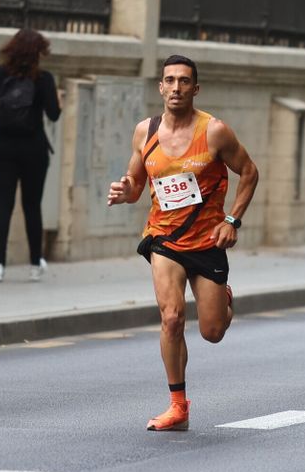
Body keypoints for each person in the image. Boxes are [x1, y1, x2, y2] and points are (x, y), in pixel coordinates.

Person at [107, 55, 261, 432]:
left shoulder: (214, 132)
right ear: (160, 87)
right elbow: (136, 182)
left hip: (208, 240)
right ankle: (178, 406)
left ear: (196, 88)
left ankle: (222, 300)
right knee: (172, 318)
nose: (176, 88)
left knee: (212, 332)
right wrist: (125, 190)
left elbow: (250, 172)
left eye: (184, 81)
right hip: (164, 239)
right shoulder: (145, 131)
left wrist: (232, 220)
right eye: (170, 80)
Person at [0, 28, 62, 283]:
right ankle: (35, 265)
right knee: (31, 206)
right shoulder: (44, 78)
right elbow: (54, 115)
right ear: (39, 52)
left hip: (3, 146)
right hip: (34, 148)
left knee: (2, 205)